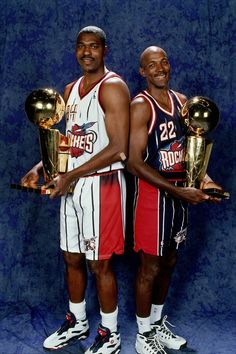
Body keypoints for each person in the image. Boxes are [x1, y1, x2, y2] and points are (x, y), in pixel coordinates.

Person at [21, 26, 130, 354]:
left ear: (104, 50)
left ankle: (110, 333)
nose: (87, 52)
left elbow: (119, 148)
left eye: (93, 46)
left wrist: (71, 177)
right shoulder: (70, 89)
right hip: (73, 184)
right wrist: (41, 167)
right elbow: (68, 142)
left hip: (103, 184)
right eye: (81, 46)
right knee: (71, 256)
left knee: (100, 264)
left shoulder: (113, 88)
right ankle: (78, 321)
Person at [127, 46, 221, 354]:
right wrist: (178, 191)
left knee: (169, 262)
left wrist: (205, 181)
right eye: (151, 65)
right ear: (143, 72)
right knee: (149, 268)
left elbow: (188, 153)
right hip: (154, 199)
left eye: (164, 61)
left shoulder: (182, 102)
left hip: (180, 197)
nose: (159, 68)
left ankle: (156, 324)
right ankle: (142, 337)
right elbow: (134, 163)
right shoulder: (142, 106)